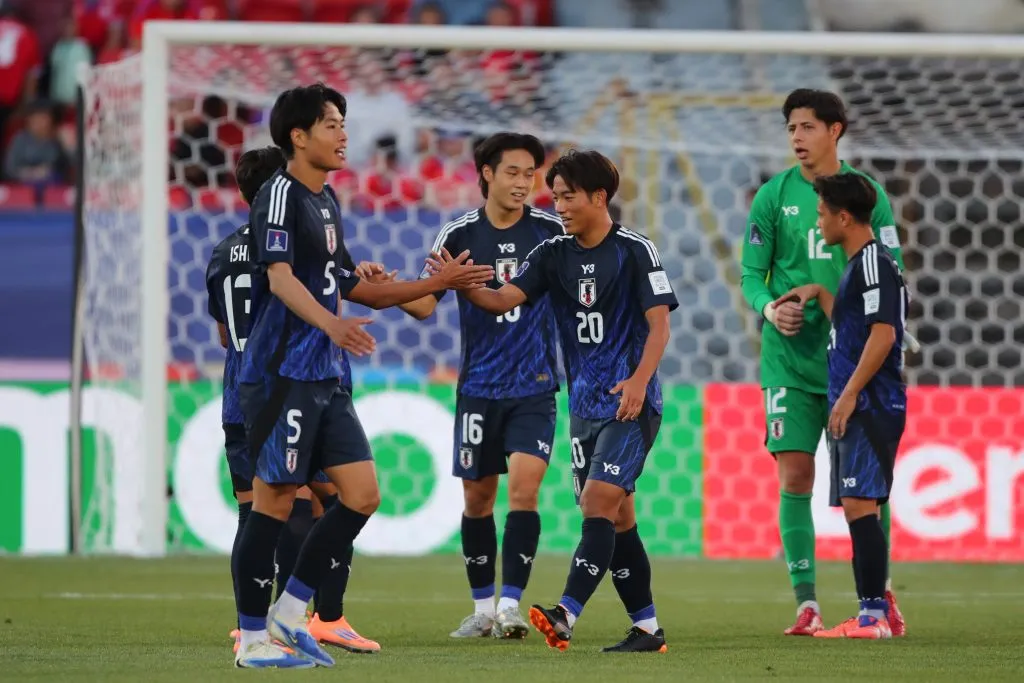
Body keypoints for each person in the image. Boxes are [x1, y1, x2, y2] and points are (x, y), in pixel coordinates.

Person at [232, 82, 493, 669]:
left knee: (361, 495)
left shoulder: (327, 202)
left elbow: (355, 286)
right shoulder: (279, 194)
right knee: (272, 504)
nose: (343, 133)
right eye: (331, 123)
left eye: (343, 122)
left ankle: (291, 614)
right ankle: (252, 641)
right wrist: (332, 324)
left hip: (326, 377)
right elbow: (279, 278)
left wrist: (435, 285)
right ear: (298, 136)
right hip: (282, 377)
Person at [433, 149, 676, 653]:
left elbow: (659, 324)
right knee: (618, 517)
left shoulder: (634, 249)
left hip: (631, 403)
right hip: (584, 406)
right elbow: (503, 300)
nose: (559, 205)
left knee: (598, 501)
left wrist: (638, 381)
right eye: (557, 196)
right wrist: (459, 282)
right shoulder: (551, 254)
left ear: (598, 197)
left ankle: (565, 613)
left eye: (568, 196)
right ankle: (648, 628)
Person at [739, 88, 906, 636]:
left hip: (853, 360)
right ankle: (807, 603)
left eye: (807, 127)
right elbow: (751, 274)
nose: (796, 138)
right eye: (790, 128)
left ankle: (876, 593)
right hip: (789, 360)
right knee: (795, 471)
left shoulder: (866, 195)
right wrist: (770, 310)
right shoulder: (771, 196)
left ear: (835, 130)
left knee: (867, 484)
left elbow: (888, 267)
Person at [205, 145, 379, 657]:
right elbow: (301, 298)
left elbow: (223, 331)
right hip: (291, 378)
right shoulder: (290, 238)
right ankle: (316, 617)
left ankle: (257, 624)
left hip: (240, 383)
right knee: (312, 500)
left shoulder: (220, 252)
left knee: (258, 508)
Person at [401, 132, 562, 639]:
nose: (523, 182)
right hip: (478, 387)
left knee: (525, 490)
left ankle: (511, 606)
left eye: (530, 173)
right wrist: (389, 286)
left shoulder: (552, 232)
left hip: (534, 386)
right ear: (487, 173)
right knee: (477, 500)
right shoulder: (458, 233)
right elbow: (426, 304)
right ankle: (482, 609)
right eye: (512, 172)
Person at [770, 173, 908, 639]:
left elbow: (884, 333)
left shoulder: (875, 264)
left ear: (843, 217)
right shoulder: (857, 266)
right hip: (864, 400)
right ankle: (876, 613)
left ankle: (872, 616)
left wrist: (849, 393)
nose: (818, 220)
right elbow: (852, 325)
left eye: (823, 212)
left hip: (870, 401)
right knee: (857, 503)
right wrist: (819, 292)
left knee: (859, 503)